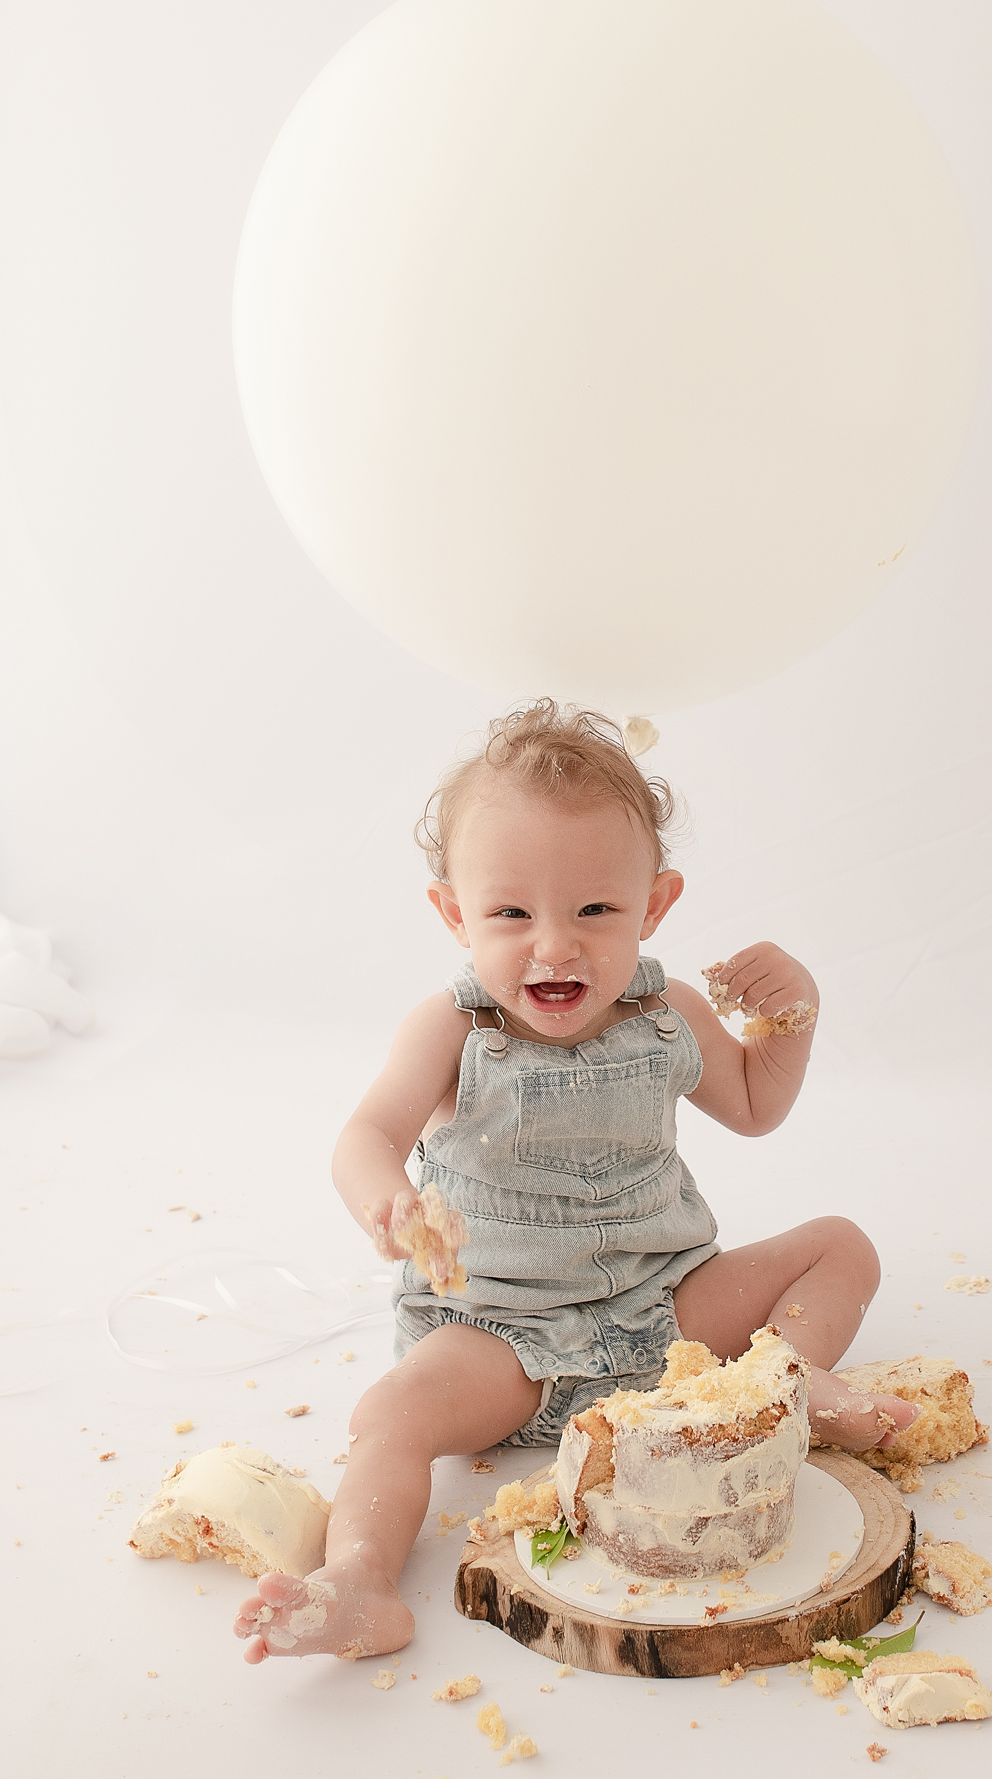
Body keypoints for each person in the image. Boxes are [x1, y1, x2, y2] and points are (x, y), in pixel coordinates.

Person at [234, 702, 918, 1662]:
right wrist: (384, 1196)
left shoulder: (667, 1010)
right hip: (499, 1340)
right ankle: (357, 1577)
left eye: (596, 910)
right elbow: (366, 1133)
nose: (554, 946)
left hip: (669, 1316)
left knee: (841, 1244)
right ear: (452, 912)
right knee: (389, 1415)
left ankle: (784, 1378)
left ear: (655, 904)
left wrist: (791, 1018)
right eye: (511, 914)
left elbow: (757, 1107)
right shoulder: (454, 1029)